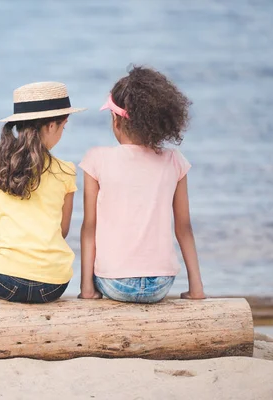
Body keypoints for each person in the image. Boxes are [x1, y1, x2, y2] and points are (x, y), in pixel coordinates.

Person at [78, 66, 205, 303]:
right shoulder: (174, 160)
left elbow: (89, 227)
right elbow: (184, 227)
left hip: (114, 284)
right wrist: (196, 289)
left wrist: (87, 289)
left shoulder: (96, 159)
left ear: (116, 120)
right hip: (160, 285)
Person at [0, 82, 85, 303]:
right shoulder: (66, 170)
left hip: (3, 282)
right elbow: (62, 231)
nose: (62, 133)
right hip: (52, 285)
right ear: (51, 126)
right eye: (63, 127)